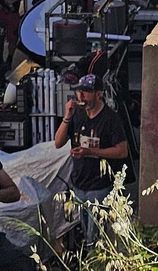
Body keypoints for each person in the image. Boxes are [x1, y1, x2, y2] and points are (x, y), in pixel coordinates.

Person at [53, 74, 129, 249]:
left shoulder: (110, 118)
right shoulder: (77, 115)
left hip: (100, 186)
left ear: (98, 94)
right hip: (79, 184)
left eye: (86, 92)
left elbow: (122, 151)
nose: (81, 96)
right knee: (85, 229)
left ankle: (96, 265)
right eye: (79, 91)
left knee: (95, 235)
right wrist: (67, 116)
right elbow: (58, 142)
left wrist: (90, 152)